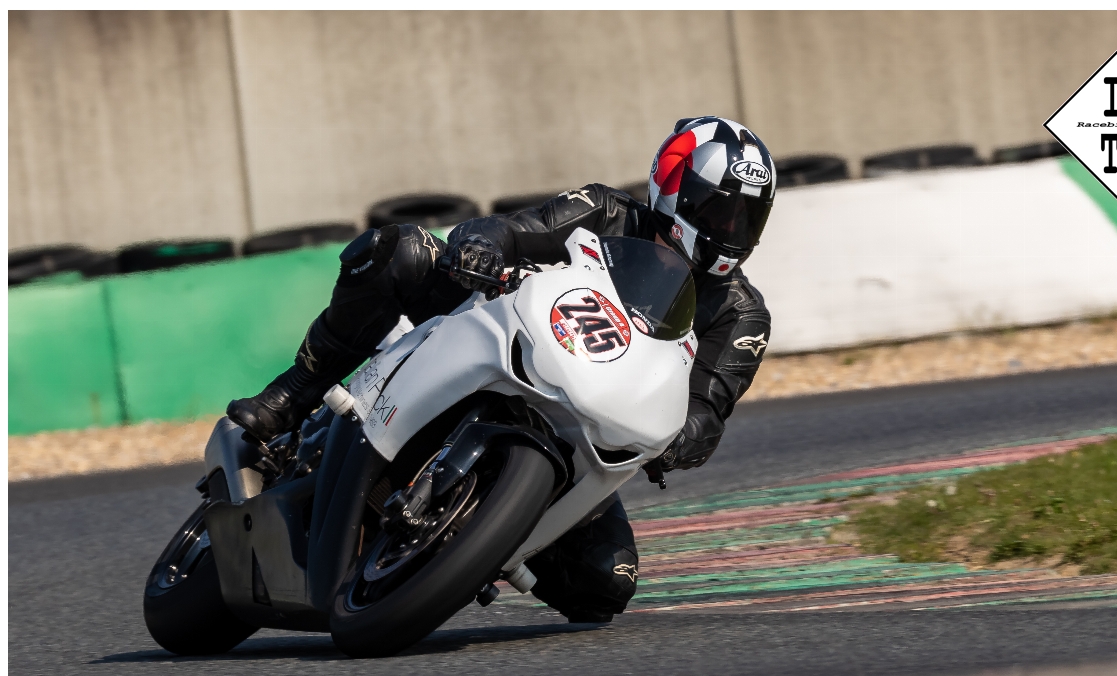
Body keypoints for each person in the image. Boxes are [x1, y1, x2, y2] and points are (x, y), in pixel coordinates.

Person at [227, 116, 776, 622]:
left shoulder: (741, 315)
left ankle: (474, 543)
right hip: (496, 332)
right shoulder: (605, 210)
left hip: (584, 429)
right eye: (721, 212)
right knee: (399, 251)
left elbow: (706, 409)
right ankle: (292, 395)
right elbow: (511, 229)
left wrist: (682, 440)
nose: (732, 230)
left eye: (747, 218)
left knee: (606, 583)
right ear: (677, 189)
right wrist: (481, 247)